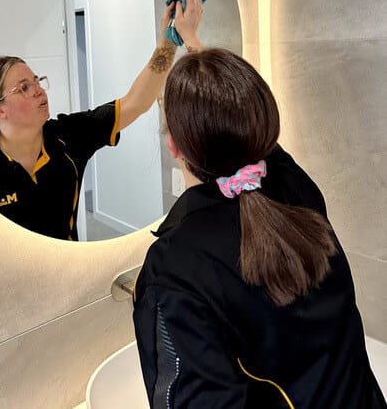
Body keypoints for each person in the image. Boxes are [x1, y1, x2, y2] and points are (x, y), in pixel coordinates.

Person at [133, 48, 385, 409]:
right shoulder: (294, 184)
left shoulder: (178, 266)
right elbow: (242, 121)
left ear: (173, 145)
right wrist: (196, 49)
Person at [0, 0, 204, 240]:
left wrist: (168, 42)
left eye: (38, 81)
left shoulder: (69, 136)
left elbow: (135, 103)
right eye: (24, 88)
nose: (39, 91)